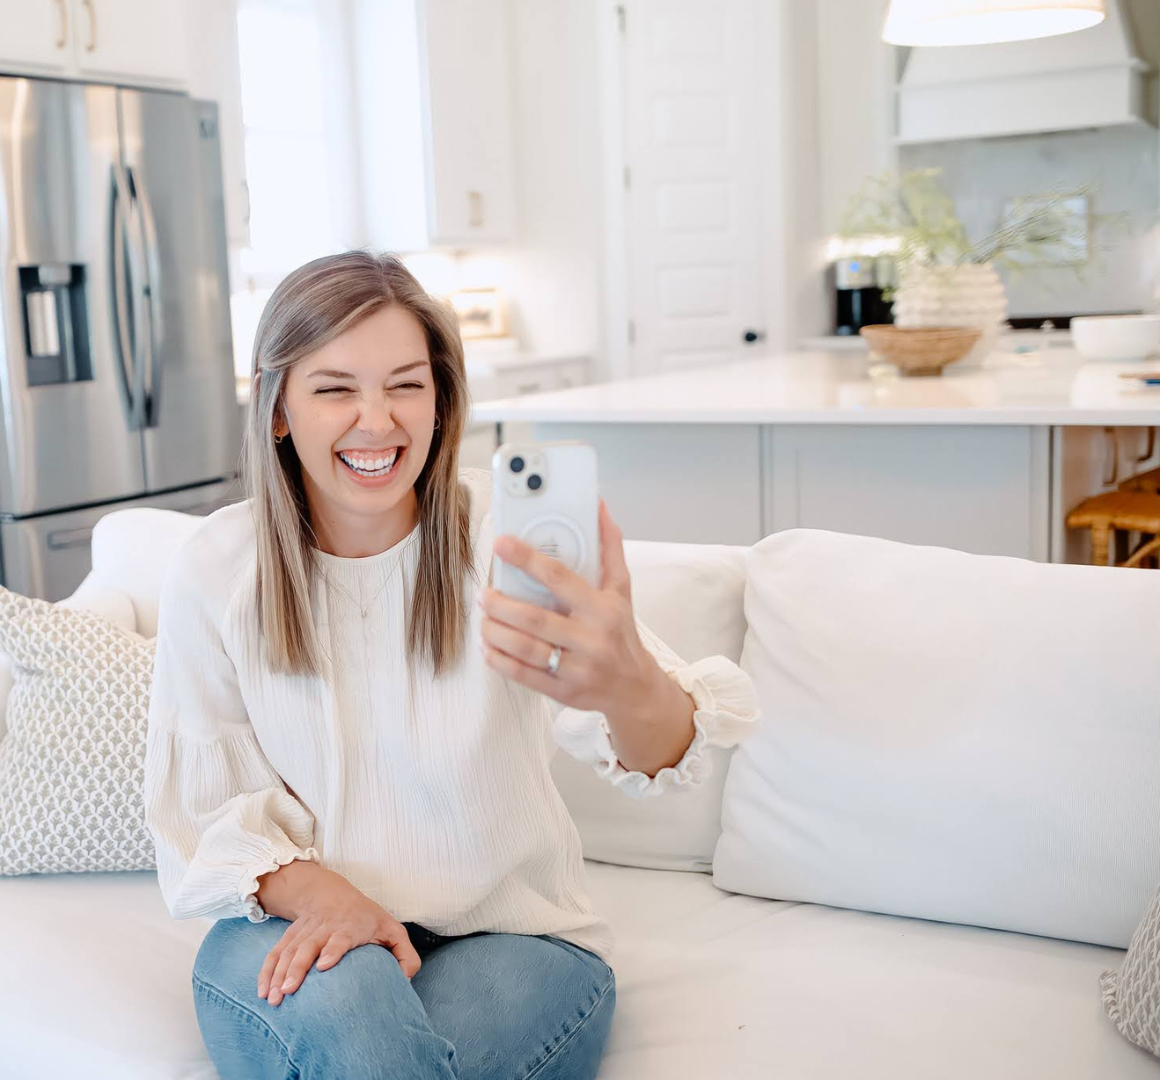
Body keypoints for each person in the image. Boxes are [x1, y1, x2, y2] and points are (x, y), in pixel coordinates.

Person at [142, 250, 758, 1080]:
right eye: (335, 389)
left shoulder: (498, 544)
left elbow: (663, 751)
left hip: (513, 944)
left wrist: (627, 682)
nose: (377, 420)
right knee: (358, 1027)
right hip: (296, 923)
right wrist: (333, 898)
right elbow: (203, 812)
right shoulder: (220, 567)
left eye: (406, 384)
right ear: (279, 407)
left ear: (441, 400)